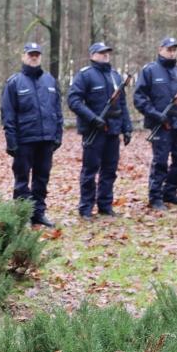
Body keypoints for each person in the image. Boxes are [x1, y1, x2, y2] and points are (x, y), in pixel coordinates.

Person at [67, 42, 133, 220]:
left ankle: (105, 205)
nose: (105, 55)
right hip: (94, 131)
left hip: (113, 130)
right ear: (92, 55)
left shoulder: (115, 76)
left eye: (107, 52)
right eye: (101, 52)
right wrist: (92, 118)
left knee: (110, 170)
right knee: (90, 170)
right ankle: (86, 208)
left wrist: (127, 128)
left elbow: (122, 104)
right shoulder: (85, 76)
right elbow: (74, 100)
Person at [0, 42, 63, 227]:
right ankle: (22, 215)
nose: (34, 57)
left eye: (37, 54)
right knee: (22, 180)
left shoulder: (50, 81)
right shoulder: (14, 83)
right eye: (30, 54)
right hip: (24, 140)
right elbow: (8, 114)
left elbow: (57, 110)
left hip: (46, 139)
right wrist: (11, 141)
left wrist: (57, 135)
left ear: (41, 57)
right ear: (23, 56)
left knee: (42, 178)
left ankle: (38, 213)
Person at [133, 37, 177, 210]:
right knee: (160, 161)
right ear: (160, 50)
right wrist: (155, 115)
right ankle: (155, 196)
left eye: (175, 50)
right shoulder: (149, 71)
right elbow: (139, 98)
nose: (172, 52)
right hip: (161, 125)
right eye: (169, 49)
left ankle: (170, 191)